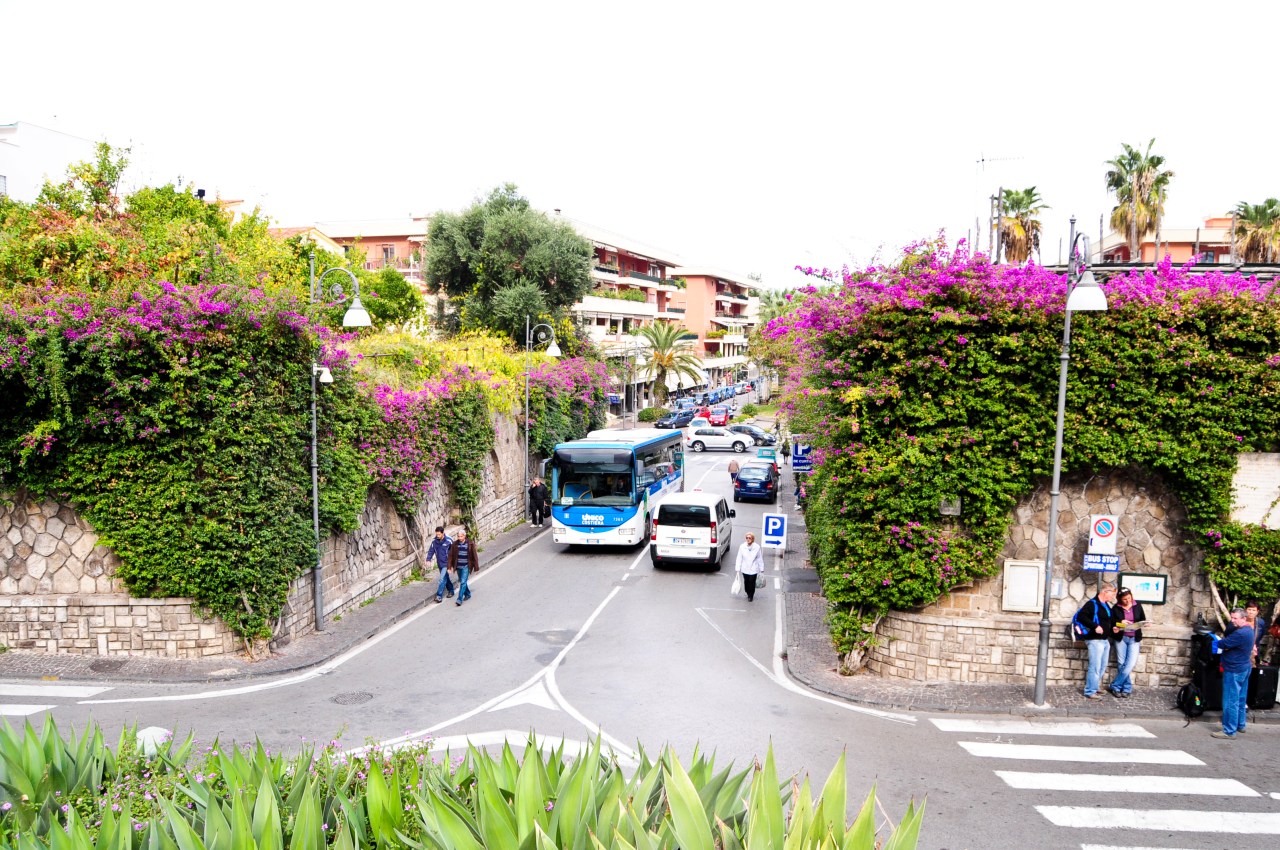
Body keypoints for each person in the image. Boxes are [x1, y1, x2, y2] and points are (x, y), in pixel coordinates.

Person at [1212, 607, 1255, 739]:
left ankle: (1229, 731)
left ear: (1244, 618)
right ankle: (1240, 724)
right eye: (1231, 617)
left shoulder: (1240, 634)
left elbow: (1222, 643)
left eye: (1235, 618)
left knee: (1231, 700)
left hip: (1234, 669)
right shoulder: (1248, 630)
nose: (1232, 621)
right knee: (1241, 697)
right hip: (1244, 667)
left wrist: (1219, 642)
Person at [1073, 583, 1116, 699]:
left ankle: (1095, 687)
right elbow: (1081, 617)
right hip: (1094, 640)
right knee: (1095, 666)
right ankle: (1090, 691)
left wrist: (1114, 628)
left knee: (1102, 666)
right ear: (1105, 592)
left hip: (1104, 640)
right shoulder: (1092, 604)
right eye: (1112, 594)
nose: (1113, 597)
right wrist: (1095, 626)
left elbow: (1109, 622)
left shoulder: (1106, 605)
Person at [1108, 587, 1146, 698]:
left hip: (1134, 638)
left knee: (1130, 664)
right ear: (1120, 599)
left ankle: (1115, 685)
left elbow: (1142, 619)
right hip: (1121, 638)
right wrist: (1120, 623)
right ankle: (1126, 688)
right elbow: (1112, 622)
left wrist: (1145, 623)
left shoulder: (1137, 605)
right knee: (1121, 663)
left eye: (1129, 598)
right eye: (1124, 599)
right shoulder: (1116, 608)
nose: (1127, 601)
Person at [447, 527, 480, 606]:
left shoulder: (470, 544)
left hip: (466, 566)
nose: (460, 538)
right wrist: (449, 567)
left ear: (464, 536)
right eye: (458, 536)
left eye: (461, 536)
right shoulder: (454, 544)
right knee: (463, 581)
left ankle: (459, 599)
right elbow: (450, 556)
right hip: (458, 566)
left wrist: (476, 567)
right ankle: (468, 594)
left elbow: (474, 556)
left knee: (463, 582)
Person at [427, 526, 453, 604]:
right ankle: (451, 591)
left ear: (443, 533)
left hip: (446, 564)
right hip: (439, 564)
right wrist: (428, 559)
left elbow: (453, 552)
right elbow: (431, 551)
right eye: (436, 534)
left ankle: (439, 596)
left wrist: (451, 564)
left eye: (439, 534)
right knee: (445, 578)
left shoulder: (449, 541)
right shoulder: (434, 542)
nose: (437, 536)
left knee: (442, 579)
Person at [735, 532, 764, 602]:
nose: (748, 539)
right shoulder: (742, 547)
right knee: (746, 582)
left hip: (753, 568)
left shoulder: (757, 547)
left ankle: (751, 595)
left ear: (753, 539)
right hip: (745, 568)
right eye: (747, 538)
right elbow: (739, 557)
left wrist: (761, 568)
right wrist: (737, 568)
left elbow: (759, 558)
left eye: (749, 538)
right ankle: (747, 592)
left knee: (752, 582)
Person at [1244, 600, 1264, 665]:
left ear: (1257, 612)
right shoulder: (1240, 621)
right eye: (1249, 609)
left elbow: (1261, 635)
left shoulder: (1260, 622)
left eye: (1253, 610)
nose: (1251, 612)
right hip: (1241, 651)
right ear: (1245, 610)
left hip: (1255, 651)